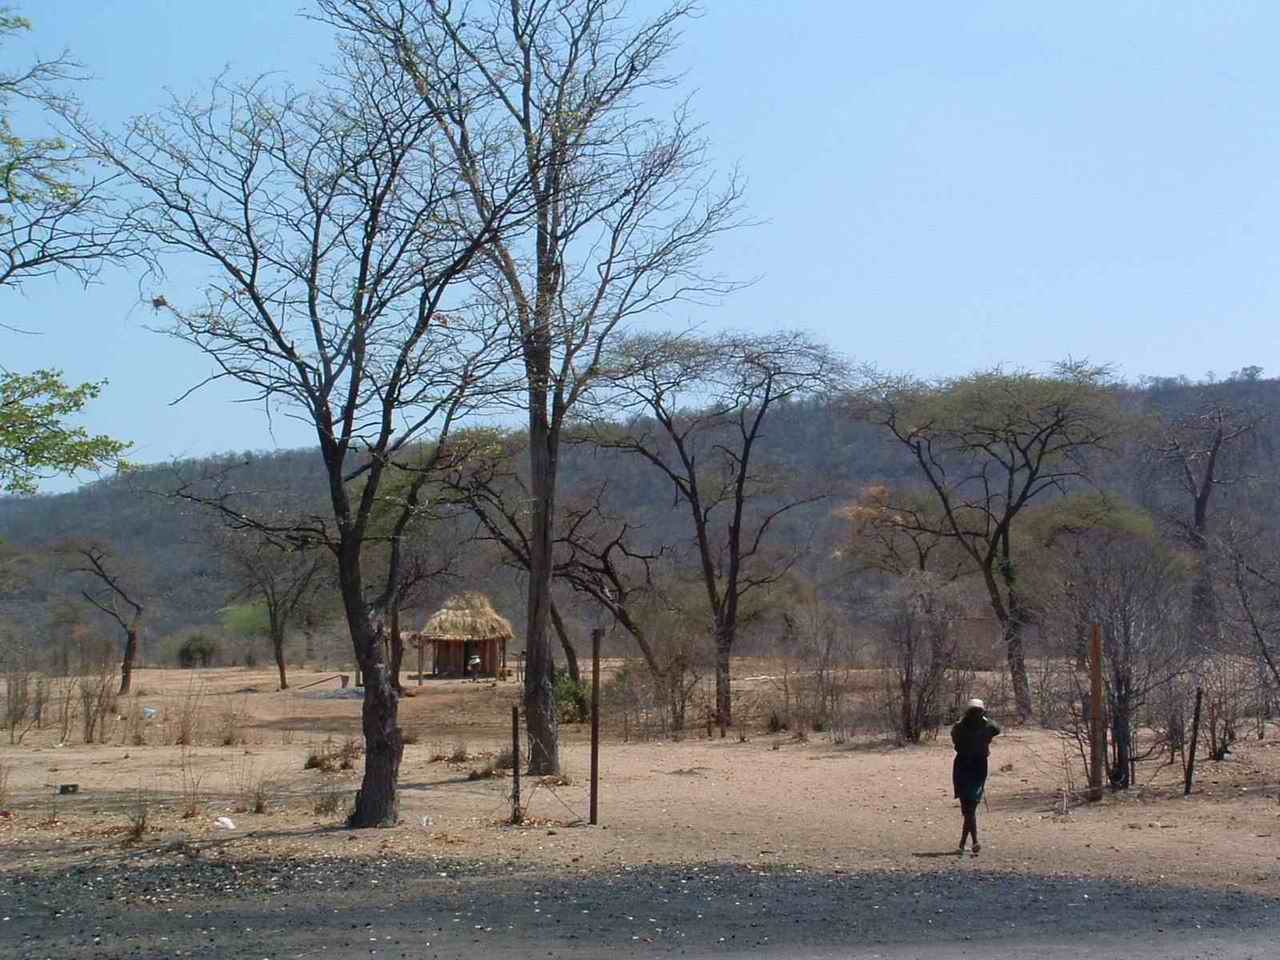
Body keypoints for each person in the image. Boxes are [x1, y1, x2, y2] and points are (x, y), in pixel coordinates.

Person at [951, 697, 1000, 855]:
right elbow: (997, 728)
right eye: (975, 712)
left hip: (966, 767)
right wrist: (985, 717)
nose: (975, 715)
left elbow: (954, 739)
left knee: (968, 808)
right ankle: (971, 842)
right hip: (973, 767)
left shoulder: (959, 727)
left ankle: (967, 842)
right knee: (969, 808)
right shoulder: (987, 726)